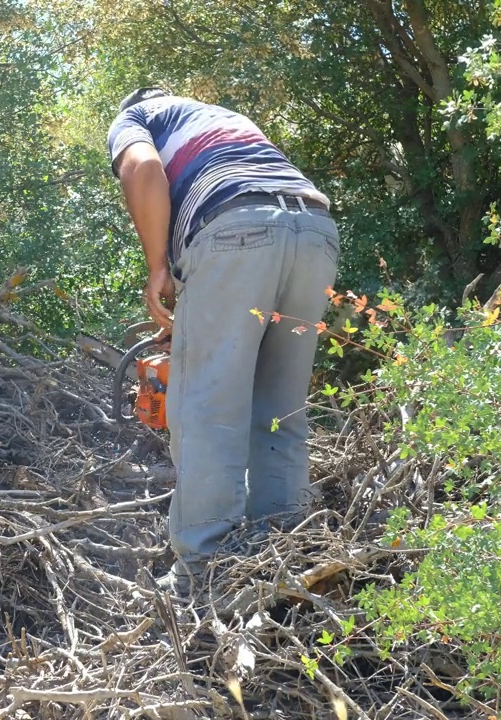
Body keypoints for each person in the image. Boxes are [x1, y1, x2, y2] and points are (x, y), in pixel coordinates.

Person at [107, 87, 340, 595]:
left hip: (234, 228)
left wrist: (156, 269)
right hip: (315, 231)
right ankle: (285, 559)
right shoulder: (225, 118)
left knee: (208, 410)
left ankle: (203, 574)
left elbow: (143, 170)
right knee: (280, 410)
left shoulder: (137, 116)